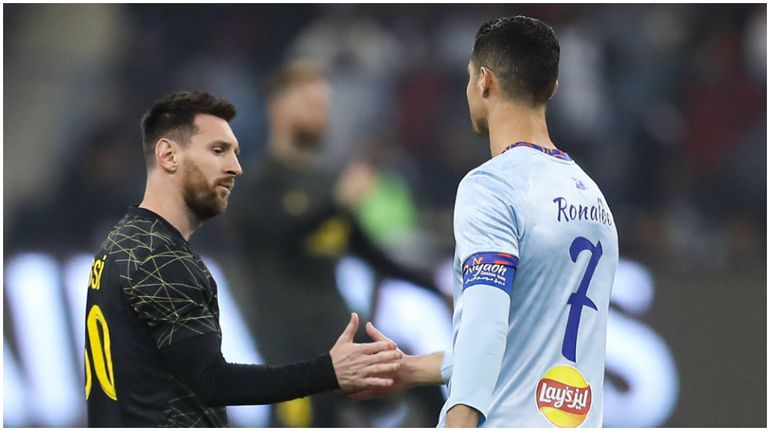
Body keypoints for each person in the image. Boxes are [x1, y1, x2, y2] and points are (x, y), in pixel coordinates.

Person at [351, 16, 619, 428]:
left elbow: (485, 325)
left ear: (484, 82)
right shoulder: (593, 198)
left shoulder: (492, 186)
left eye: (468, 77)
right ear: (552, 90)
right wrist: (414, 370)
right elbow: (527, 341)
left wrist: (459, 421)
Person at [82, 91, 402, 427]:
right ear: (168, 155)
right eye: (217, 151)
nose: (234, 167)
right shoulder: (162, 261)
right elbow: (214, 383)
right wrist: (330, 371)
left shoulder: (122, 244)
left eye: (234, 152)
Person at [227, 61, 442, 426]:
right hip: (292, 355)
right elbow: (278, 234)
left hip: (343, 335)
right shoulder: (255, 183)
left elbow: (373, 255)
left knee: (424, 379)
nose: (321, 114)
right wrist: (337, 203)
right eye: (310, 103)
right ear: (278, 109)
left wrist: (438, 289)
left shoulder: (326, 182)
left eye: (324, 105)